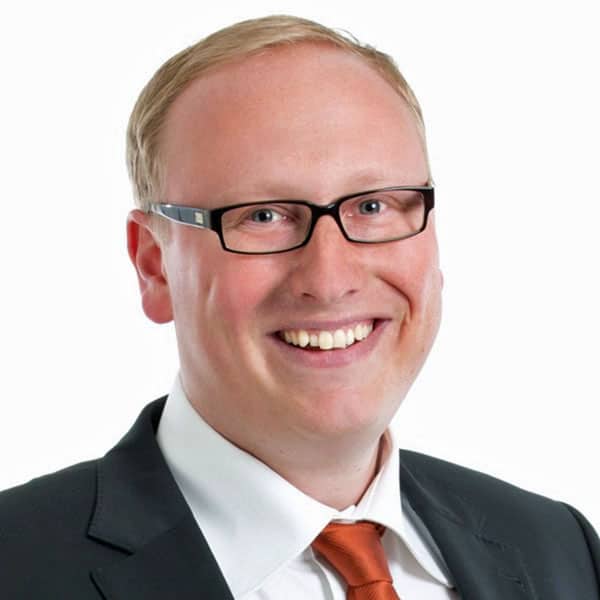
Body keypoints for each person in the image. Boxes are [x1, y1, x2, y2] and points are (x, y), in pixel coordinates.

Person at [0, 14, 598, 599]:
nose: (329, 280)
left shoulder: (558, 548)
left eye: (372, 206)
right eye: (262, 215)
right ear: (154, 266)